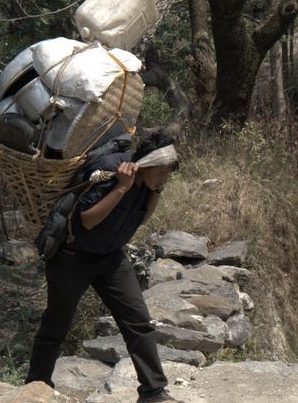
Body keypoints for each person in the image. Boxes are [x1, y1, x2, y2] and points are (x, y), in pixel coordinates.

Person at [25, 129, 183, 403]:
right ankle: (35, 389)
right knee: (56, 328)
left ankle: (153, 392)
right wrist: (121, 187)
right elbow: (87, 219)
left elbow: (143, 219)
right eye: (163, 172)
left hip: (110, 259)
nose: (165, 178)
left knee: (138, 323)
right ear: (148, 164)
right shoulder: (109, 171)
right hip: (72, 259)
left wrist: (156, 189)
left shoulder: (149, 184)